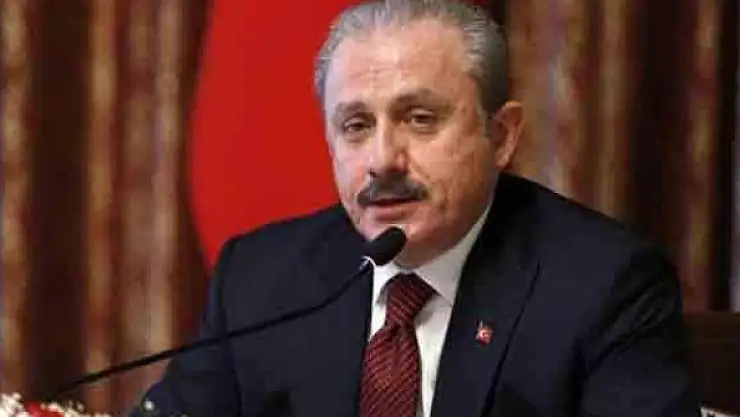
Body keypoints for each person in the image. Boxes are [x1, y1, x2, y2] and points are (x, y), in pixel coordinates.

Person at [132, 0, 701, 416]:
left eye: (420, 119)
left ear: (502, 135)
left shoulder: (603, 286)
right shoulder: (260, 280)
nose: (383, 159)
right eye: (356, 126)